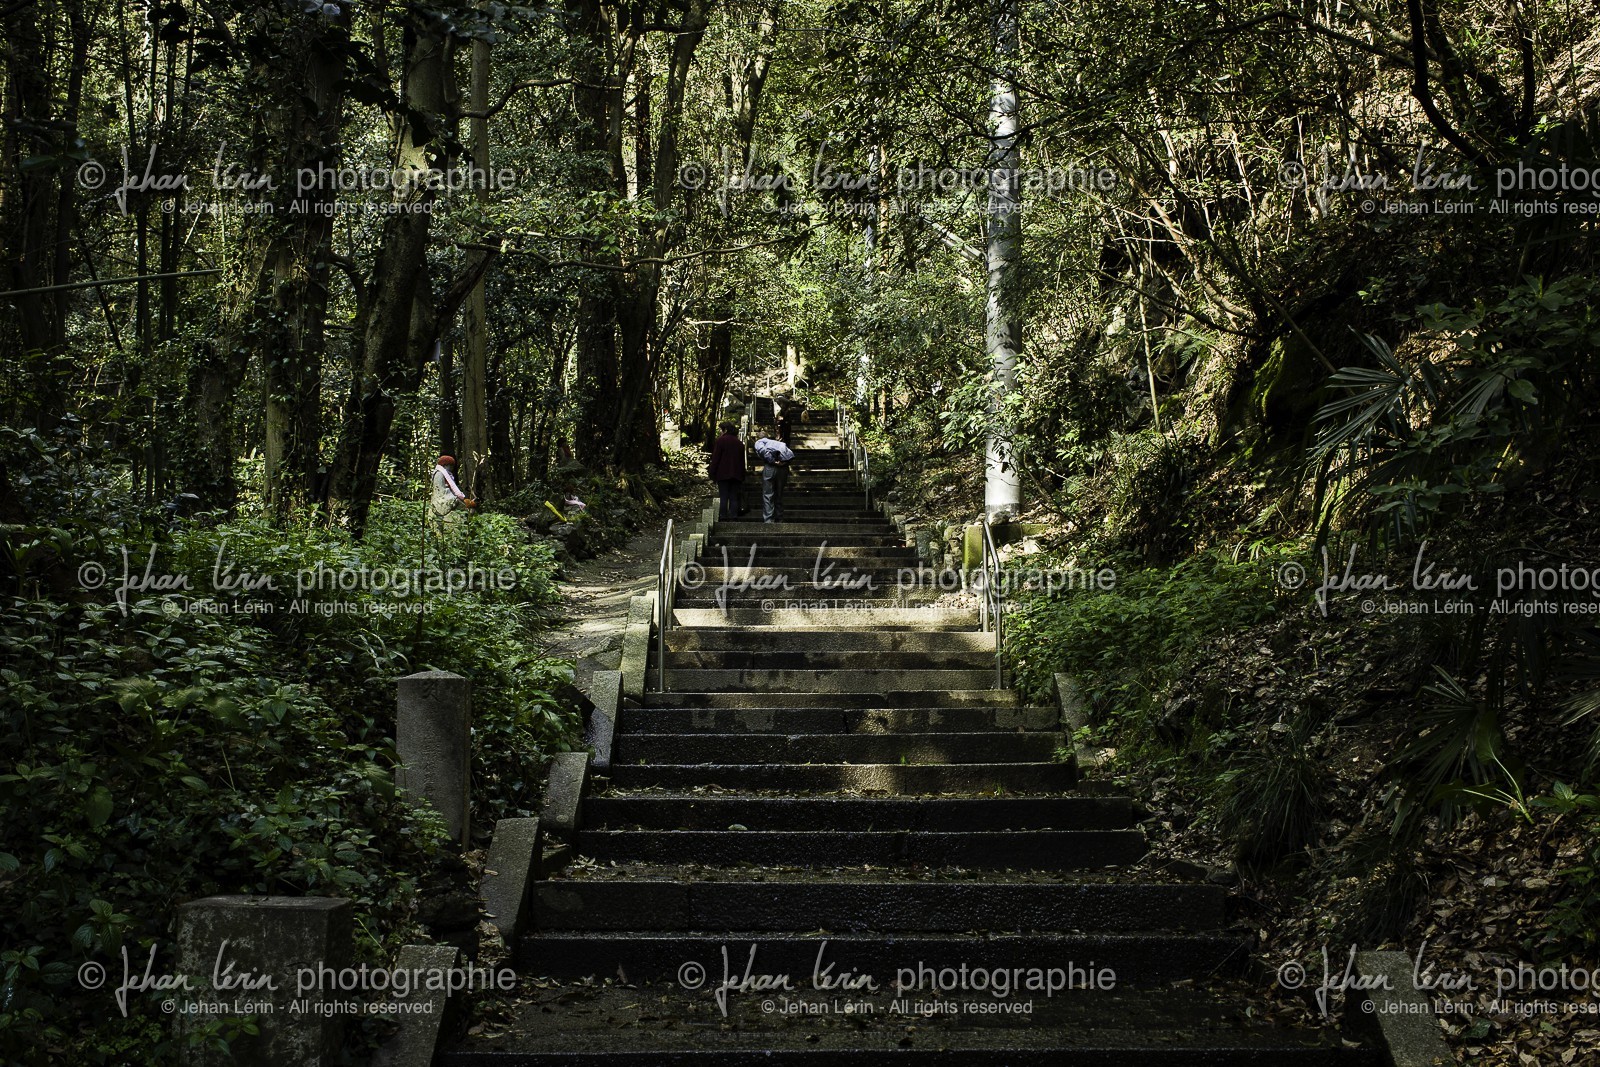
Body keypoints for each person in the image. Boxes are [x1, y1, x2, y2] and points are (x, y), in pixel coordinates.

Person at [753, 428, 794, 523]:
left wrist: (773, 461)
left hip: (770, 467)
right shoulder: (777, 443)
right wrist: (784, 463)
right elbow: (790, 453)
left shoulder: (759, 442)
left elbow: (762, 451)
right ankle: (779, 517)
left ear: (758, 437)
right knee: (779, 493)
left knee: (768, 494)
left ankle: (769, 520)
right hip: (783, 468)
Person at [707, 422, 746, 520]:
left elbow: (716, 458)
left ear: (725, 430)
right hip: (736, 474)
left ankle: (723, 516)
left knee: (723, 496)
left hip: (723, 473)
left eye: (720, 430)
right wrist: (742, 475)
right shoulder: (739, 443)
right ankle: (734, 516)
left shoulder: (721, 441)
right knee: (734, 496)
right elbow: (742, 461)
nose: (720, 432)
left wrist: (712, 472)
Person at [430, 455, 476, 533]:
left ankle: (467, 523)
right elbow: (441, 490)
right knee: (466, 507)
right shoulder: (439, 474)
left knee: (470, 506)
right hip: (442, 499)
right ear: (445, 465)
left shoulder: (447, 474)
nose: (451, 468)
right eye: (450, 466)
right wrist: (454, 498)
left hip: (450, 497)